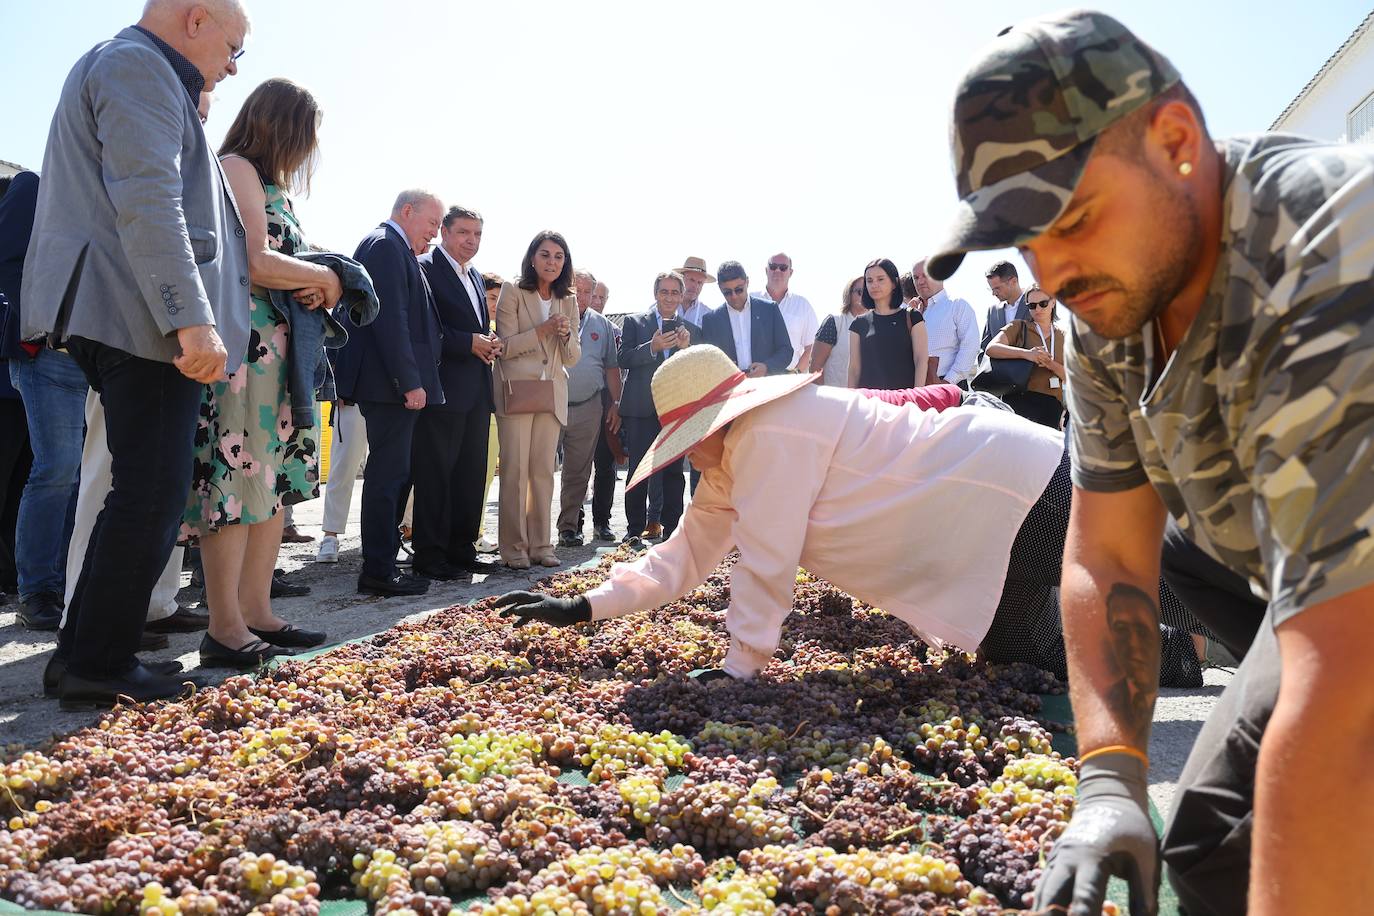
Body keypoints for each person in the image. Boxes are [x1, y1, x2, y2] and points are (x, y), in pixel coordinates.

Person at [924, 10, 1374, 914]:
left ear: (1174, 141)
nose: (1051, 272)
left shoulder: (1334, 251)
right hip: (1320, 583)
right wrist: (1109, 781)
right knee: (1212, 851)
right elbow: (1107, 554)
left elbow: (1348, 698)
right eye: (1025, 240)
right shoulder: (1111, 304)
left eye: (1075, 217)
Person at [491, 346, 1193, 691]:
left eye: (689, 440)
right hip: (964, 540)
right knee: (1029, 649)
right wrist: (586, 605)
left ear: (720, 420)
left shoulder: (770, 432)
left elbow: (767, 560)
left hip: (1003, 483)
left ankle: (1250, 630)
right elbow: (683, 556)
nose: (688, 457)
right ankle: (1177, 657)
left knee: (1163, 580)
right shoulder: (728, 467)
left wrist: (741, 668)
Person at [22, 0, 251, 706]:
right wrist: (192, 321)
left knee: (140, 490)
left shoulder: (130, 66)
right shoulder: (138, 66)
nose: (232, 67)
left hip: (127, 311)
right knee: (151, 493)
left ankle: (82, 653)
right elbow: (149, 200)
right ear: (196, 19)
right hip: (139, 316)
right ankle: (99, 662)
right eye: (234, 47)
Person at [182, 77, 339, 667]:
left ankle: (257, 611)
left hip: (275, 359)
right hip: (245, 353)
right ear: (283, 127)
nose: (307, 151)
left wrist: (311, 284)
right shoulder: (237, 168)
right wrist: (324, 278)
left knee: (269, 486)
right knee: (236, 481)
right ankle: (224, 626)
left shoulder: (272, 185)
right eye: (305, 136)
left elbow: (281, 264)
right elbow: (254, 260)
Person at [334, 189, 445, 597]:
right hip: (388, 386)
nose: (435, 233)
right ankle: (378, 570)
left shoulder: (395, 247)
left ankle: (383, 563)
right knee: (387, 476)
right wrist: (409, 381)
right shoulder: (385, 246)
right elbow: (389, 321)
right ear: (407, 211)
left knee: (393, 474)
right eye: (432, 223)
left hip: (388, 384)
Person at [0, 169, 74, 633]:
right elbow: (7, 264)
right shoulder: (33, 186)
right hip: (46, 354)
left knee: (83, 478)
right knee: (56, 471)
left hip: (102, 356)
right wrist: (35, 329)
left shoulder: (115, 193)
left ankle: (71, 581)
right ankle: (38, 591)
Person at [413, 206, 502, 579]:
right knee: (436, 474)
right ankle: (430, 556)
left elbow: (474, 326)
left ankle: (462, 549)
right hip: (442, 389)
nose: (472, 240)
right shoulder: (424, 268)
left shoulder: (477, 276)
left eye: (477, 234)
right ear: (444, 232)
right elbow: (423, 328)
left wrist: (488, 341)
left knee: (471, 473)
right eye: (464, 232)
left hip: (477, 390)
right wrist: (468, 342)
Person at [493, 231, 581, 569]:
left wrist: (566, 335)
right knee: (515, 470)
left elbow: (572, 357)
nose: (552, 262)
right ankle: (513, 547)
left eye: (559, 256)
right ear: (532, 258)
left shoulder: (568, 299)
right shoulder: (512, 290)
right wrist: (543, 330)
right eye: (545, 255)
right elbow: (505, 347)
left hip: (552, 393)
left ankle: (542, 545)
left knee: (543, 472)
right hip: (516, 391)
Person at [618, 271, 698, 545]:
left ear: (681, 296)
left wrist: (685, 348)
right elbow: (623, 358)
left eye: (675, 292)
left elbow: (694, 371)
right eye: (664, 292)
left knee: (674, 472)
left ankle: (672, 530)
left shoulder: (689, 330)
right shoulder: (634, 322)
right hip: (640, 410)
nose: (669, 298)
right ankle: (634, 530)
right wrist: (651, 347)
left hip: (674, 410)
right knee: (638, 470)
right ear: (655, 294)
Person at [556, 271, 622, 547]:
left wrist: (616, 403)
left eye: (587, 292)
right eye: (576, 290)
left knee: (578, 471)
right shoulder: (552, 314)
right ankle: (530, 531)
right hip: (550, 404)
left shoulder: (602, 325)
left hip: (588, 406)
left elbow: (612, 368)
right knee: (538, 470)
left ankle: (568, 528)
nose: (580, 297)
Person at [984, 285, 1066, 428]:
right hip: (1019, 398)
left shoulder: (1064, 336)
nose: (1038, 309)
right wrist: (1028, 354)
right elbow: (991, 348)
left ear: (1053, 302)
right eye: (1032, 306)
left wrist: (1050, 364)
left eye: (1043, 304)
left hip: (1052, 404)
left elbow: (1072, 377)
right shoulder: (1018, 327)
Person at [699, 261, 793, 377]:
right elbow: (708, 362)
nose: (734, 296)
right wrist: (722, 369)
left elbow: (786, 351)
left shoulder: (769, 310)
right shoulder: (711, 321)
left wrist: (766, 367)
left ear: (747, 282)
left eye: (739, 290)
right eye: (727, 292)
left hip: (766, 384)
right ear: (719, 288)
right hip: (731, 386)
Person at [847, 258, 928, 389]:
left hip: (904, 398)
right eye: (869, 281)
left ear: (894, 283)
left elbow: (921, 360)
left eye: (880, 279)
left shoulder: (913, 317)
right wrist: (851, 398)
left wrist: (916, 395)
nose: (874, 285)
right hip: (868, 399)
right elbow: (854, 369)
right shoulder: (858, 324)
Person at [589, 280, 622, 541]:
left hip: (606, 402)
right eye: (594, 296)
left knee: (605, 464)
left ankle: (602, 522)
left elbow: (619, 370)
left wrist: (616, 403)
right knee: (576, 467)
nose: (597, 302)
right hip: (576, 401)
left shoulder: (614, 330)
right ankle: (571, 525)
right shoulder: (569, 323)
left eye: (603, 297)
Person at [913, 258, 979, 386]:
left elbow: (970, 346)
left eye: (925, 275)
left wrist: (948, 382)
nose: (920, 281)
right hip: (916, 387)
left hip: (949, 384)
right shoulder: (911, 311)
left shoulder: (957, 305)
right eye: (916, 277)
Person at [758, 252, 818, 372]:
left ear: (790, 272)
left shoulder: (803, 305)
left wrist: (796, 374)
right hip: (756, 376)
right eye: (773, 266)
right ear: (766, 270)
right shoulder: (750, 301)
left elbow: (812, 346)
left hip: (790, 376)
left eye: (783, 268)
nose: (777, 270)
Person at [809, 278, 867, 388]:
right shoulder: (834, 321)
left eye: (868, 292)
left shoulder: (876, 324)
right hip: (834, 394)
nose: (865, 296)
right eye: (860, 292)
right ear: (848, 294)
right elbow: (815, 365)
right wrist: (822, 395)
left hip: (864, 395)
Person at [980, 260, 1028, 352]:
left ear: (1013, 281)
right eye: (992, 289)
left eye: (997, 288)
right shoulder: (992, 311)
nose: (994, 293)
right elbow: (984, 347)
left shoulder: (1036, 304)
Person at [677, 256, 716, 327]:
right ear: (681, 279)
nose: (695, 286)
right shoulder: (663, 306)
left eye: (699, 283)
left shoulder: (709, 315)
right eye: (692, 280)